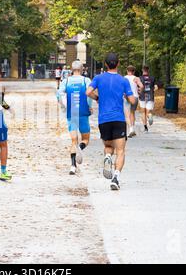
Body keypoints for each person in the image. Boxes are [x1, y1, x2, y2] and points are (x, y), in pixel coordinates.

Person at [86, 53, 135, 191]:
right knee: (120, 151)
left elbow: (88, 91)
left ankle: (107, 156)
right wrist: (126, 96)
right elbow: (132, 101)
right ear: (118, 64)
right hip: (118, 119)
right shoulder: (123, 81)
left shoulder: (98, 78)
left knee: (108, 146)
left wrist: (97, 98)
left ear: (106, 64)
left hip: (104, 120)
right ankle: (116, 178)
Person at [57, 60, 93, 175]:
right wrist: (90, 106)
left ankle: (72, 166)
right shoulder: (86, 80)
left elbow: (59, 95)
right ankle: (80, 148)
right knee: (86, 139)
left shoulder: (66, 81)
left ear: (71, 70)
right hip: (83, 111)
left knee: (73, 141)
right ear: (82, 69)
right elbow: (89, 94)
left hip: (72, 111)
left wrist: (64, 105)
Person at [124, 65, 144, 137]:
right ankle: (132, 128)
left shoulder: (124, 78)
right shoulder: (136, 78)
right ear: (134, 71)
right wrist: (139, 92)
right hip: (135, 97)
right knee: (132, 113)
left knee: (127, 115)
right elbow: (141, 86)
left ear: (127, 71)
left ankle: (131, 129)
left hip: (127, 97)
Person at [139, 66, 158, 132]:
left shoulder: (140, 78)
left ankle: (145, 128)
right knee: (148, 112)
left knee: (143, 113)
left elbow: (138, 88)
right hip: (150, 96)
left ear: (142, 70)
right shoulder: (152, 78)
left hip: (142, 97)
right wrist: (152, 91)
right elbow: (156, 87)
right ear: (148, 70)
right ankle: (149, 115)